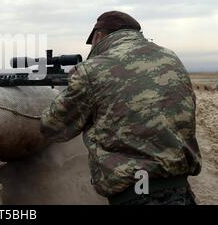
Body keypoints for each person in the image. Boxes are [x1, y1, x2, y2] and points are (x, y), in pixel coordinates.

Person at [40, 11, 201, 205]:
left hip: (138, 196)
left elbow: (52, 128)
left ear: (99, 35)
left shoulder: (92, 70)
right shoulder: (170, 58)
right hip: (181, 192)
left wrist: (68, 93)